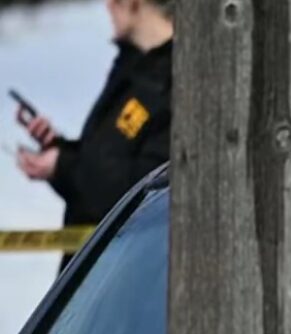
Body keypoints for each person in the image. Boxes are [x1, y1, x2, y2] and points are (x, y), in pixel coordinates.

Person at [15, 0, 174, 269]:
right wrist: (58, 150)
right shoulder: (131, 69)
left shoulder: (180, 78)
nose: (107, 6)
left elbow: (145, 192)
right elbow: (101, 164)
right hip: (99, 281)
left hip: (130, 280)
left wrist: (63, 165)